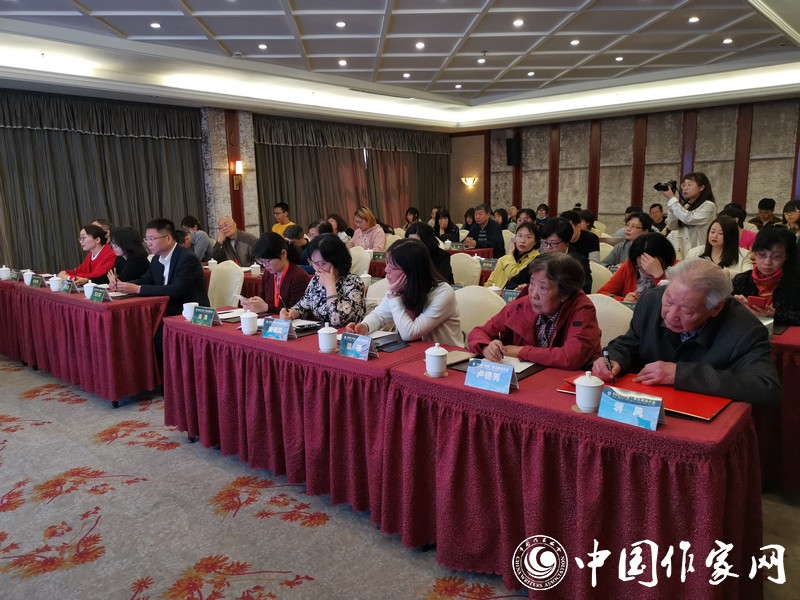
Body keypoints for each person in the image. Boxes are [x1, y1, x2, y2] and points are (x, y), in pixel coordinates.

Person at [592, 259, 781, 406]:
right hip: (645, 407)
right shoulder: (652, 301)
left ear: (715, 308)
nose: (670, 315)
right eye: (669, 301)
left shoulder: (745, 330)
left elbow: (766, 388)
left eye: (687, 311)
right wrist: (613, 359)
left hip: (700, 418)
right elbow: (630, 342)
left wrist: (681, 374)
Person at [468, 253, 601, 370]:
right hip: (527, 378)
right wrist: (486, 347)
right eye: (532, 284)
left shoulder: (582, 308)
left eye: (543, 288)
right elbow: (479, 332)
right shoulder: (523, 303)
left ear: (564, 294)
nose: (533, 294)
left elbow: (571, 357)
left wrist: (520, 351)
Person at [113, 218, 209, 362]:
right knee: (134, 330)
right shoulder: (156, 260)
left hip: (189, 314)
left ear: (168, 238)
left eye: (152, 239)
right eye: (146, 239)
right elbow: (146, 280)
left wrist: (137, 289)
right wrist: (123, 285)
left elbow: (176, 290)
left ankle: (165, 376)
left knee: (156, 336)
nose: (148, 243)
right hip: (165, 311)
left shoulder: (187, 258)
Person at [346, 238, 462, 346]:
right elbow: (379, 316)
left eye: (392, 266)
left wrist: (394, 297)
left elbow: (410, 333)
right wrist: (364, 326)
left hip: (446, 356)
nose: (386, 270)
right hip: (412, 352)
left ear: (410, 271)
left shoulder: (443, 293)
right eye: (386, 264)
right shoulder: (401, 288)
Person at [280, 233, 365, 327]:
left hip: (346, 333)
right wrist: (291, 313)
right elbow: (302, 307)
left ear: (337, 261)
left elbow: (337, 320)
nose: (316, 268)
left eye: (322, 264)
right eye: (313, 263)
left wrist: (330, 286)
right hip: (320, 332)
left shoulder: (353, 282)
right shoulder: (316, 280)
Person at [732, 227, 800, 326]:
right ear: (755, 254)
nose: (767, 262)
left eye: (776, 256)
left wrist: (775, 315)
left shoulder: (796, 282)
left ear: (786, 257)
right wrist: (735, 306)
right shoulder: (742, 280)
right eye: (762, 255)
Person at [241, 232, 311, 315]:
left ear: (283, 254)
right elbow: (262, 300)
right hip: (270, 320)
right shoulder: (268, 274)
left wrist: (266, 307)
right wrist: (253, 304)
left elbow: (295, 312)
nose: (265, 265)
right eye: (261, 261)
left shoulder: (299, 277)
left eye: (268, 260)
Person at [598, 232, 676, 303]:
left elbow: (674, 301)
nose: (646, 270)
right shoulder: (630, 265)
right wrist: (623, 300)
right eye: (641, 267)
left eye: (650, 266)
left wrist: (659, 276)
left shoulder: (677, 268)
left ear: (663, 260)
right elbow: (602, 294)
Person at [662, 172, 716, 259]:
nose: (685, 188)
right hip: (685, 254)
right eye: (683, 185)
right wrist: (672, 208)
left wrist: (672, 199)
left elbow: (688, 218)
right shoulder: (685, 207)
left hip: (701, 254)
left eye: (689, 185)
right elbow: (672, 226)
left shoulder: (708, 206)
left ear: (701, 187)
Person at [685, 216, 752, 278]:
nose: (714, 236)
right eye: (712, 232)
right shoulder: (694, 252)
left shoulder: (743, 255)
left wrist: (729, 274)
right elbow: (683, 274)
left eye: (720, 233)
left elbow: (748, 278)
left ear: (730, 236)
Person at [538, 217, 592, 294]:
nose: (548, 247)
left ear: (567, 242)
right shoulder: (539, 259)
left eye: (553, 243)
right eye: (545, 243)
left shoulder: (580, 262)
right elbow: (519, 280)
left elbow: (584, 290)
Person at [484, 222, 539, 290]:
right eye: (519, 236)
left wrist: (510, 254)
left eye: (528, 237)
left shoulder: (537, 261)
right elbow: (490, 283)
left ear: (535, 241)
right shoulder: (503, 259)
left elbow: (514, 276)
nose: (522, 241)